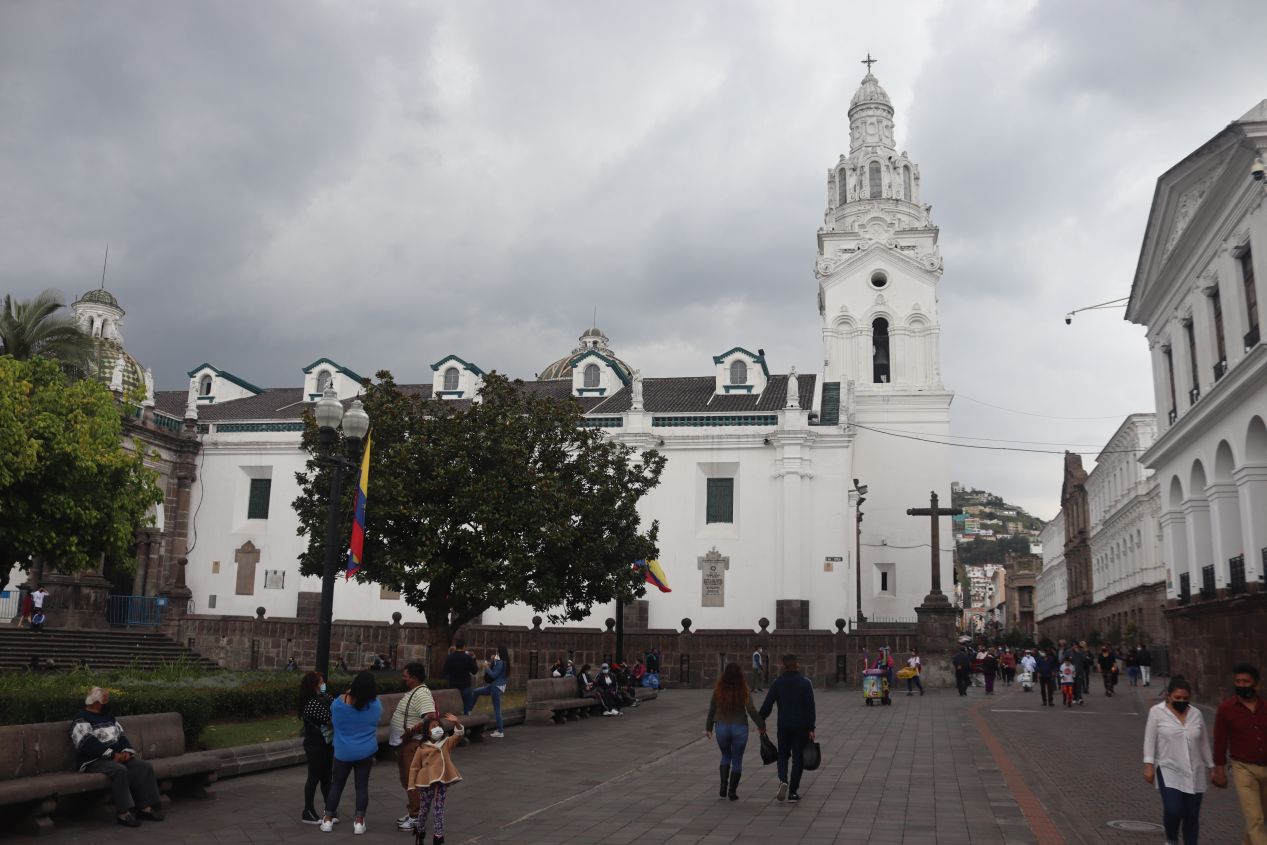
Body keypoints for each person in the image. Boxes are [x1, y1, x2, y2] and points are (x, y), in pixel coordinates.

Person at [71, 687, 164, 827]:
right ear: (97, 703)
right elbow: (86, 743)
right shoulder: (81, 718)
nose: (108, 703)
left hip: (116, 757)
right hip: (93, 760)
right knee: (119, 770)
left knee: (143, 767)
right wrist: (111, 755)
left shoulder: (109, 716)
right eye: (106, 701)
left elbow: (121, 736)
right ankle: (123, 814)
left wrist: (126, 751)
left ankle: (145, 808)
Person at [1144, 676, 1213, 845]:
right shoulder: (1157, 712)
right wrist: (1149, 765)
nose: (1181, 701)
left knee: (1191, 815)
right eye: (1177, 698)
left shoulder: (1196, 714)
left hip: (1194, 770)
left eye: (1185, 698)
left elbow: (1203, 741)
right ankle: (1171, 838)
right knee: (1173, 810)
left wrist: (1211, 766)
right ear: (1169, 696)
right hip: (1169, 769)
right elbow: (1149, 739)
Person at [1211, 663, 1267, 844]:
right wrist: (1218, 769)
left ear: (1256, 685)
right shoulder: (1226, 709)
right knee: (1255, 819)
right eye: (1238, 681)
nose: (1241, 685)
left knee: (1259, 819)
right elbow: (1220, 741)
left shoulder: (1265, 707)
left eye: (1246, 681)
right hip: (1243, 768)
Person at [321, 671, 381, 834]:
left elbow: (335, 722)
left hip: (343, 751)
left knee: (337, 785)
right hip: (365, 751)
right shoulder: (375, 705)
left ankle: (327, 819)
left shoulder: (339, 704)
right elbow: (375, 721)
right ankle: (359, 822)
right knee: (361, 786)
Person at [759, 654, 816, 803]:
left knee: (783, 755)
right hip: (801, 726)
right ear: (797, 665)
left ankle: (783, 780)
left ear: (783, 666)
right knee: (798, 758)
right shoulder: (805, 683)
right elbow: (810, 707)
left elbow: (767, 705)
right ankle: (793, 792)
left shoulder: (778, 683)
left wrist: (761, 721)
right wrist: (811, 727)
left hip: (783, 725)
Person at [706, 662, 767, 801]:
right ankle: (732, 792)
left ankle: (723, 786)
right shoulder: (743, 689)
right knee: (737, 760)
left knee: (725, 755)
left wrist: (708, 728)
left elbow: (712, 709)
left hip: (722, 727)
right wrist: (761, 724)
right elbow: (751, 709)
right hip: (740, 727)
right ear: (740, 674)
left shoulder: (718, 689)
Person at [391, 663, 436, 832]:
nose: (403, 679)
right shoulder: (415, 692)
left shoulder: (422, 694)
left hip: (412, 744)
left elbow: (430, 717)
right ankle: (413, 812)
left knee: (412, 781)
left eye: (406, 676)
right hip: (405, 743)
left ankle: (416, 816)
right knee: (407, 780)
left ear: (415, 678)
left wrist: (412, 730)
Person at [406, 714, 465, 845]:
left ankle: (438, 838)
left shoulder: (446, 743)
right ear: (427, 731)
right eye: (433, 726)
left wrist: (456, 723)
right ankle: (420, 831)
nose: (437, 728)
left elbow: (458, 735)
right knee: (424, 810)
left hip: (441, 782)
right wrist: (411, 785)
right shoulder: (422, 748)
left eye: (438, 726)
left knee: (439, 810)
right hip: (426, 782)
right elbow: (414, 767)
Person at [299, 671, 335, 825]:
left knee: (326, 776)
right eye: (320, 682)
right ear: (313, 685)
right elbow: (330, 719)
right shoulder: (311, 703)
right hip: (315, 744)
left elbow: (335, 705)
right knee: (314, 777)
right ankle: (308, 811)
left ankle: (329, 809)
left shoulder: (323, 697)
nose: (323, 684)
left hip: (326, 743)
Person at [471, 646, 509, 737]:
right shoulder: (504, 662)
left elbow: (493, 675)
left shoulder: (501, 663)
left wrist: (486, 667)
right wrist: (493, 661)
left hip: (496, 687)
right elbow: (497, 669)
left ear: (500, 653)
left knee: (497, 709)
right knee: (476, 691)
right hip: (495, 687)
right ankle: (468, 710)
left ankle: (500, 731)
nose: (496, 654)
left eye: (497, 653)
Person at [442, 639, 478, 715]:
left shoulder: (450, 657)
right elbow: (474, 671)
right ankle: (465, 723)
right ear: (464, 646)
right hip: (465, 686)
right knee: (467, 707)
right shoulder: (468, 658)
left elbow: (445, 672)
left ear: (456, 646)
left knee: (453, 708)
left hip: (453, 686)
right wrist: (474, 659)